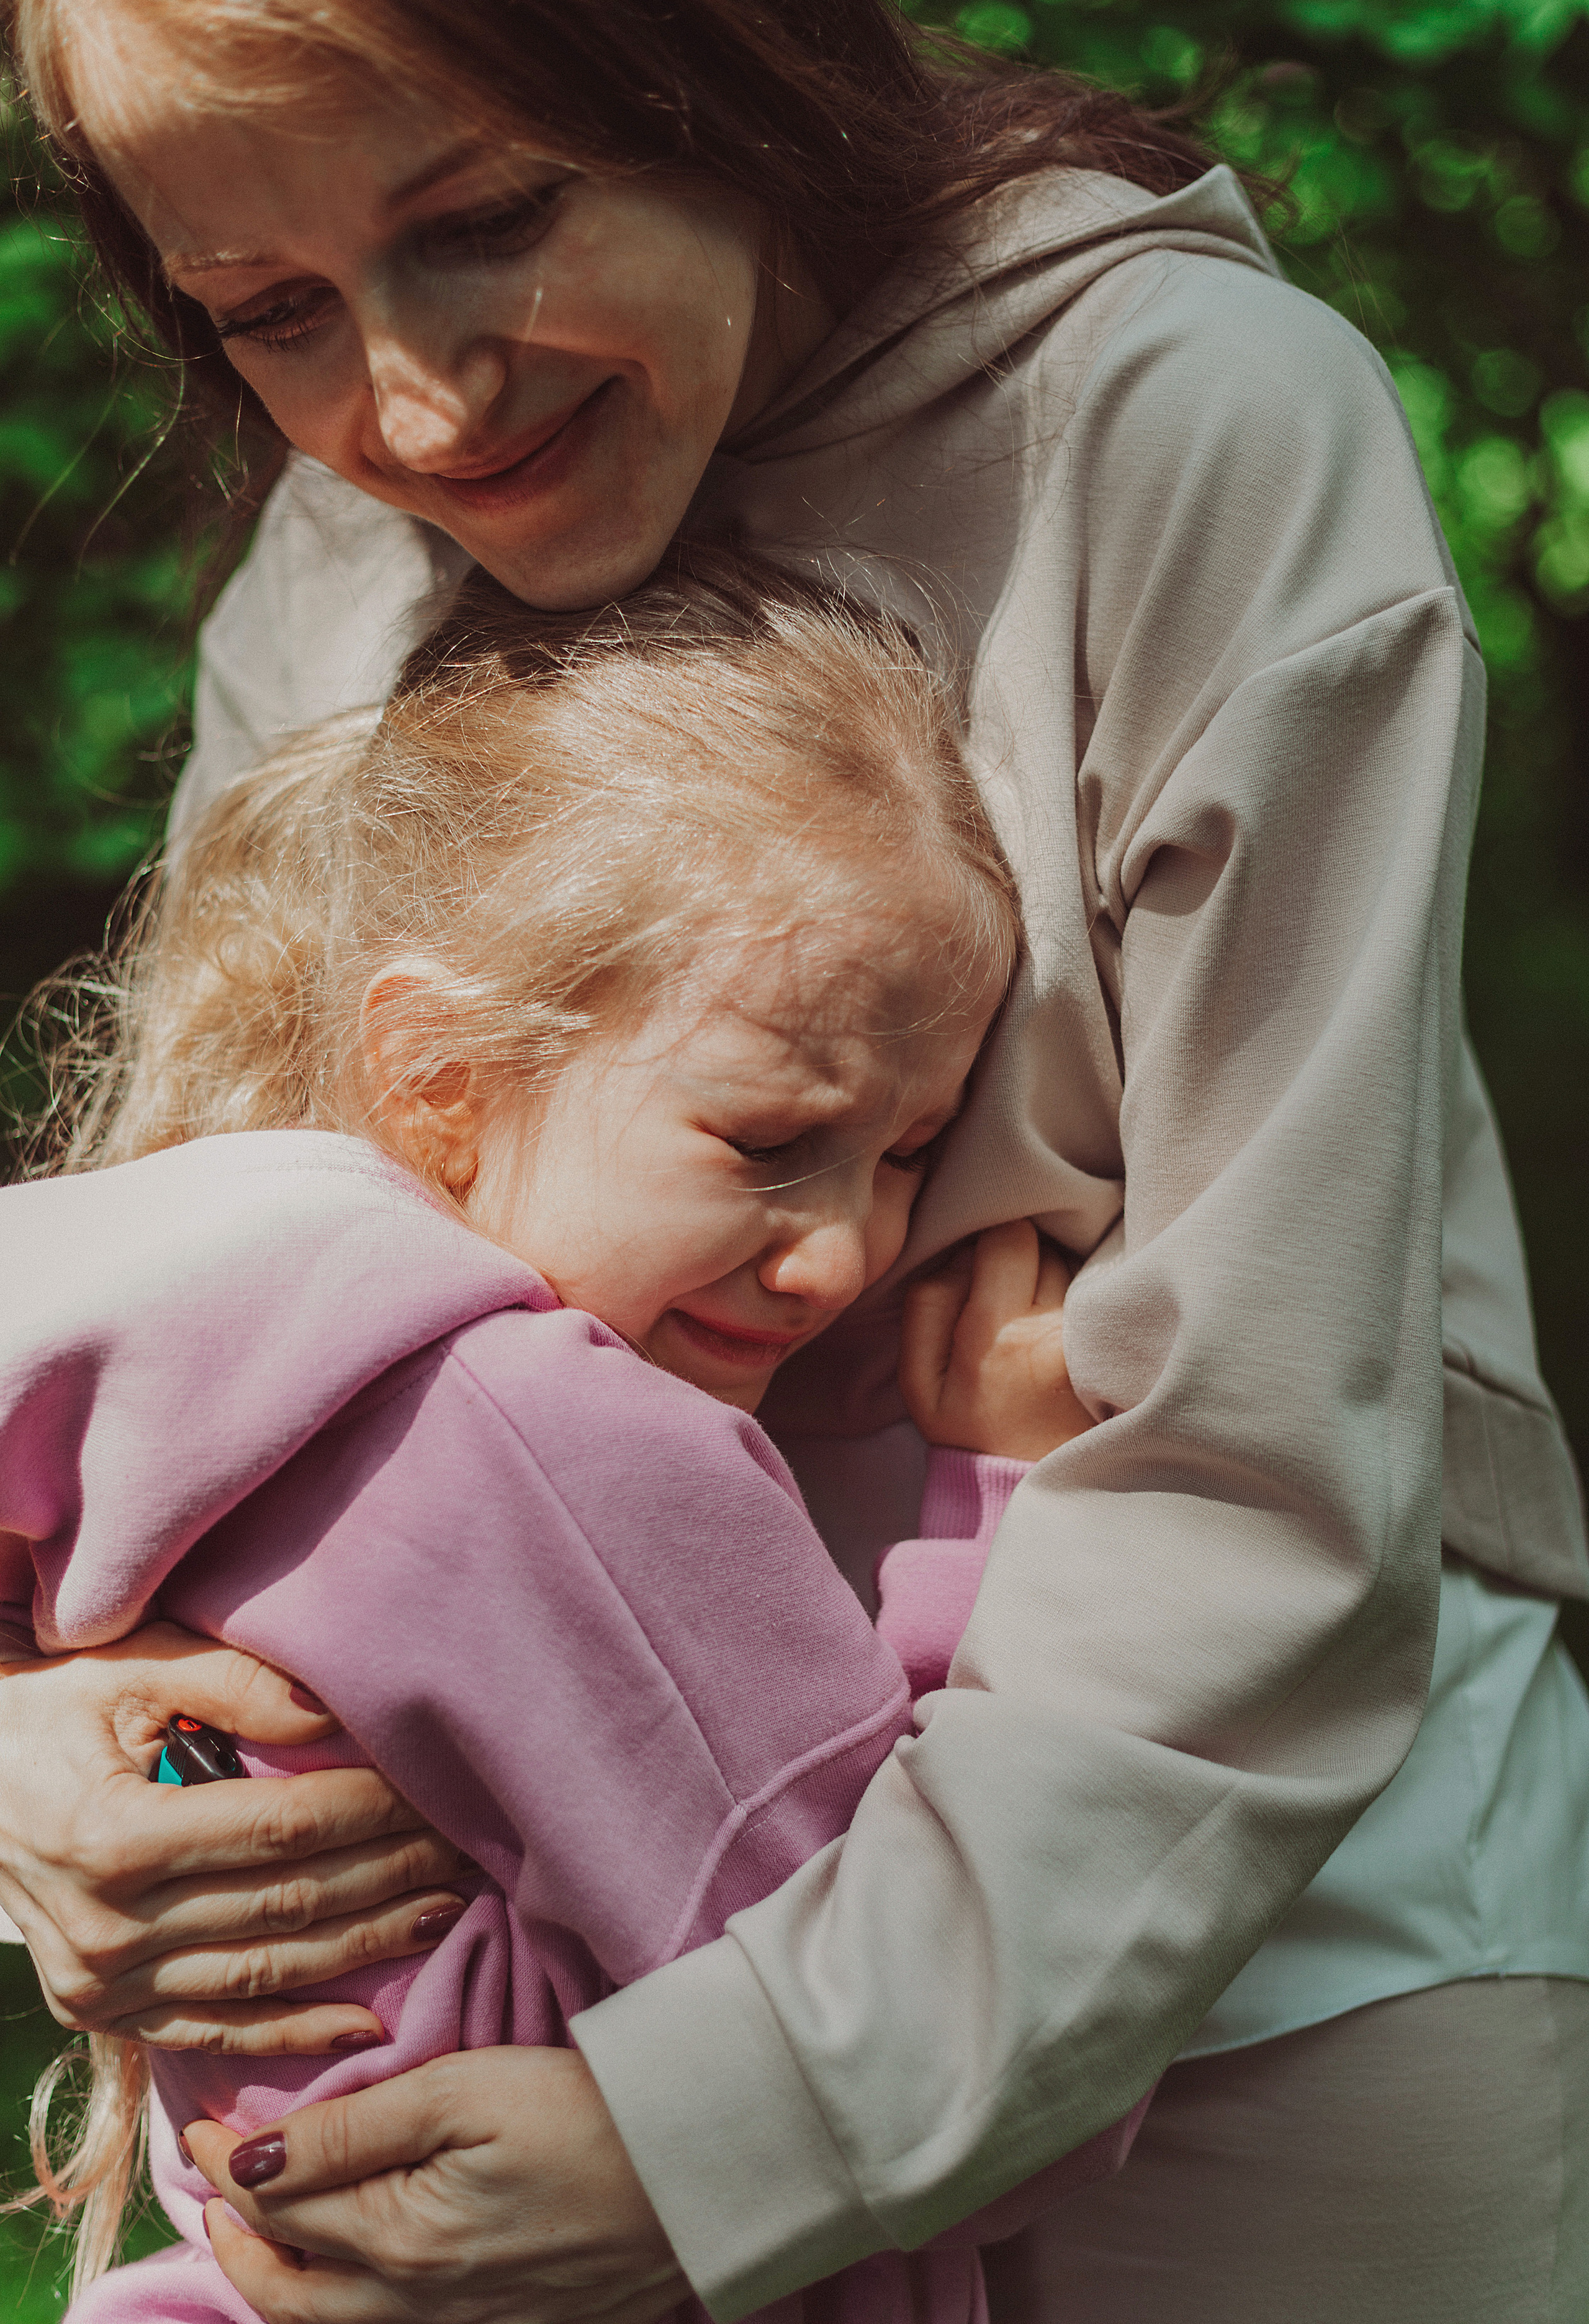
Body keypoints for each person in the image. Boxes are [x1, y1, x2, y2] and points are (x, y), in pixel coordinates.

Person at [1, 0, 1586, 2319]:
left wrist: (741, 2121)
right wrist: (38, 1742)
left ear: (717, 59)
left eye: (482, 216)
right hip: (533, 2028)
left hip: (1261, 1992)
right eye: (270, 307)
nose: (417, 402)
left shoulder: (1181, 430)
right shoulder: (328, 589)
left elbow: (1264, 1453)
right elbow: (218, 1318)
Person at [4, 558, 1147, 2324]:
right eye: (771, 1140)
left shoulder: (189, 1358)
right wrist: (1023, 1495)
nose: (845, 1254)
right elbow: (946, 1999)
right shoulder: (564, 1446)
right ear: (443, 1075)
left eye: (909, 1153)